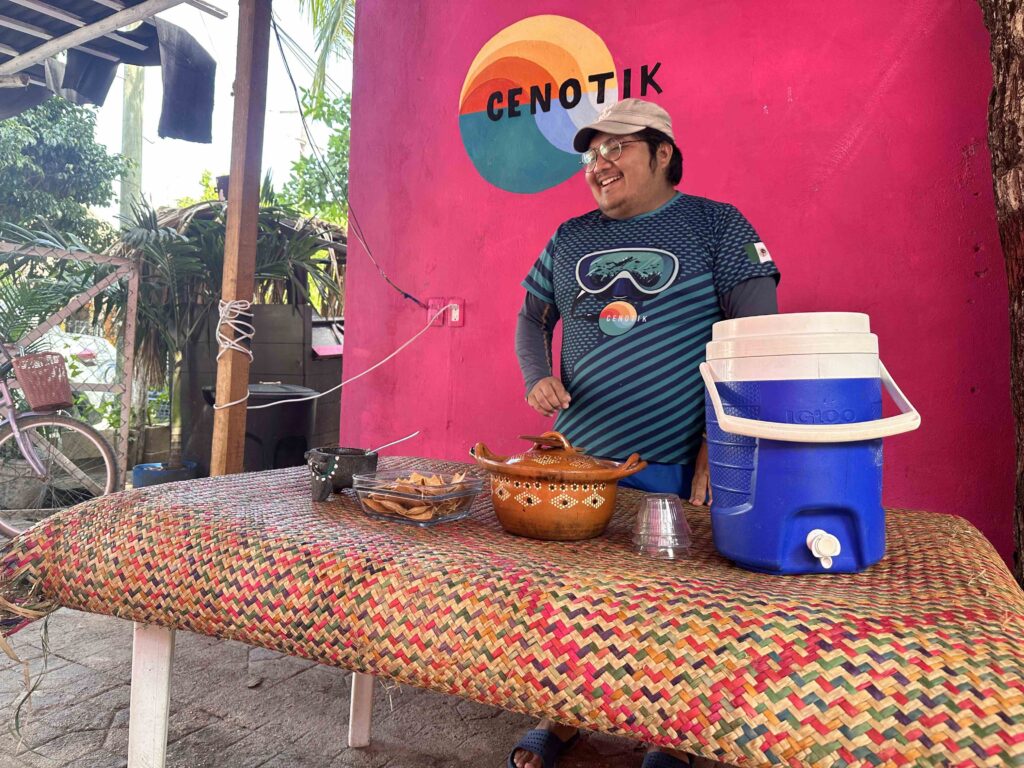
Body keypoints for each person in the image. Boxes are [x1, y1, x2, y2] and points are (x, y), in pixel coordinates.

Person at [510, 99, 780, 768]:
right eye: (590, 153)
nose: (600, 163)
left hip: (668, 459)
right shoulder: (569, 237)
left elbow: (754, 340)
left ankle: (672, 732)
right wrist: (536, 375)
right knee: (571, 600)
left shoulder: (717, 226)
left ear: (662, 152)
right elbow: (530, 318)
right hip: (574, 459)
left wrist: (721, 447)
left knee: (673, 604)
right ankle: (566, 713)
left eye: (617, 148)